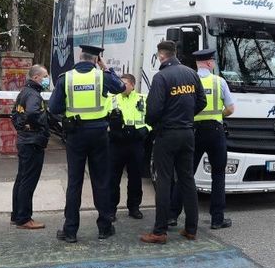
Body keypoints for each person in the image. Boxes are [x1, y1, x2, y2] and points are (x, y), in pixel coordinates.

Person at [48, 45, 126, 243]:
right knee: (101, 181)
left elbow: (54, 107)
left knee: (74, 182)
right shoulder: (102, 77)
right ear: (96, 59)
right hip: (99, 134)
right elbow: (122, 87)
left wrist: (70, 114)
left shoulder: (66, 78)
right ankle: (104, 227)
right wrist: (106, 68)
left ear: (79, 57)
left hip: (75, 135)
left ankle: (70, 230)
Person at [140, 41, 206, 244]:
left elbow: (153, 110)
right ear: (174, 53)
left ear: (161, 55)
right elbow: (202, 102)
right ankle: (191, 229)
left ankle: (159, 231)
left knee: (164, 180)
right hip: (187, 133)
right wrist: (186, 117)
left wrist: (155, 124)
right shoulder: (191, 73)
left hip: (167, 134)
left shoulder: (161, 77)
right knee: (187, 180)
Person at [169, 49, 235, 229]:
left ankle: (172, 215)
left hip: (194, 132)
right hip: (215, 131)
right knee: (218, 175)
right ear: (208, 63)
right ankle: (217, 219)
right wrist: (218, 115)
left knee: (185, 174)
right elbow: (231, 108)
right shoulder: (218, 81)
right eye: (212, 61)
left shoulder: (190, 80)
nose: (213, 63)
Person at [10, 64, 51, 230]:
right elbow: (34, 113)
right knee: (28, 181)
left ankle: (17, 215)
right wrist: (39, 128)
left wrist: (22, 127)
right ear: (36, 78)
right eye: (45, 76)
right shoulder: (34, 95)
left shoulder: (24, 93)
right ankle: (24, 218)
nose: (47, 79)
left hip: (25, 141)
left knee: (21, 178)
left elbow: (14, 115)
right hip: (33, 142)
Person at [107, 74, 150, 221]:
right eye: (120, 83)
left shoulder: (143, 99)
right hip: (116, 142)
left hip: (135, 142)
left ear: (132, 85)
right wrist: (112, 129)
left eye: (124, 83)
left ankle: (134, 207)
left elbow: (152, 117)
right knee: (113, 178)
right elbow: (104, 117)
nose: (121, 86)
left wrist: (146, 129)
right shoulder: (112, 98)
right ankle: (111, 209)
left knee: (135, 178)